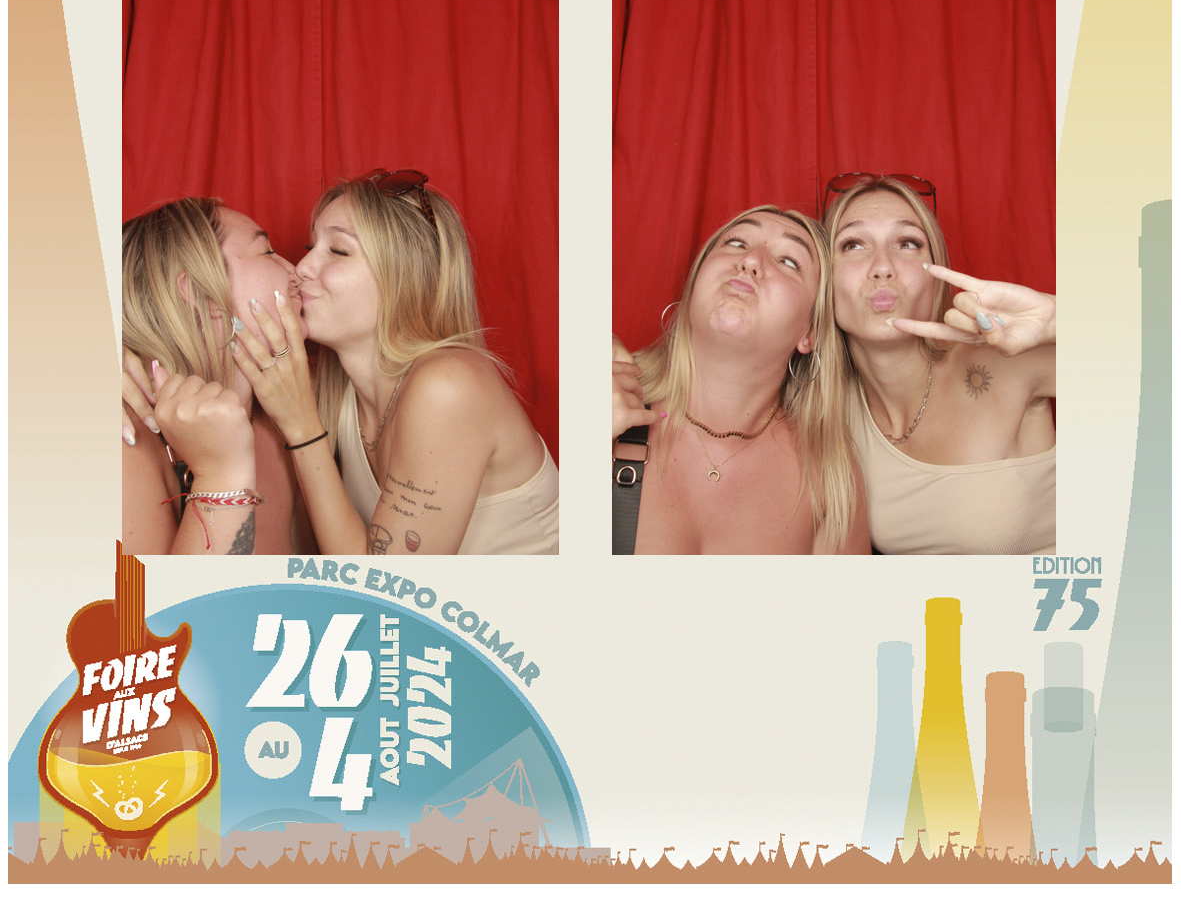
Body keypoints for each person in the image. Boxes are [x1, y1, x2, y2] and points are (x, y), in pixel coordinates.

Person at [229, 170, 558, 556]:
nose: (301, 267)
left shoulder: (449, 386)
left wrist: (301, 427)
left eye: (338, 251)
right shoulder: (329, 390)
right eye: (310, 246)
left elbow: (385, 586)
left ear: (404, 275)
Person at [611, 206, 868, 553]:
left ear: (810, 332)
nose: (750, 260)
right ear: (694, 286)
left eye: (789, 261)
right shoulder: (608, 402)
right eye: (735, 243)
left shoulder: (832, 477)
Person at [823, 174, 1055, 555]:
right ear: (824, 279)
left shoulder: (1002, 359)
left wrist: (1062, 321)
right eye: (853, 244)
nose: (883, 266)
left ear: (936, 273)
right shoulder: (826, 408)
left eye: (907, 243)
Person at [122, 199, 312, 555]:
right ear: (201, 293)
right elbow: (141, 595)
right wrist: (220, 475)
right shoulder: (126, 447)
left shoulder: (277, 427)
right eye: (267, 252)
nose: (296, 270)